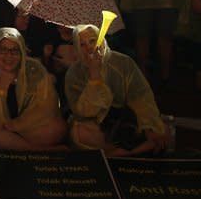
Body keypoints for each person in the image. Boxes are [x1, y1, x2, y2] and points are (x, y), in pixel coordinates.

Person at [65, 24, 171, 156]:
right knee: (79, 133)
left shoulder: (123, 62)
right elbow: (83, 113)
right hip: (97, 125)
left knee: (160, 130)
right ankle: (127, 151)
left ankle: (115, 152)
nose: (89, 48)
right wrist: (94, 78)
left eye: (92, 41)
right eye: (82, 45)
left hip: (127, 120)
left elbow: (141, 97)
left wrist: (148, 124)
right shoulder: (74, 73)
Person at [0, 27, 67, 151]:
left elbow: (47, 107)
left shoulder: (34, 69)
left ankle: (18, 146)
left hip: (25, 126)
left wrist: (17, 125)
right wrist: (2, 88)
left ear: (22, 52)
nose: (8, 56)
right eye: (3, 50)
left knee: (58, 128)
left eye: (14, 51)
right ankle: (38, 150)